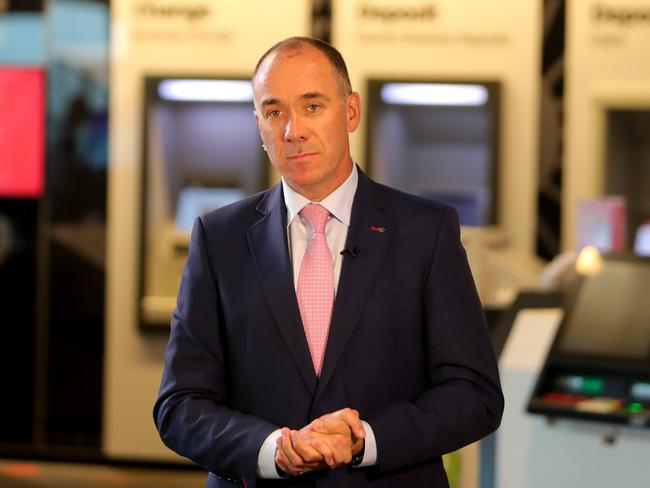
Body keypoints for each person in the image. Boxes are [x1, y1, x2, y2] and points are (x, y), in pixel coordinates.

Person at [154, 37, 503, 488]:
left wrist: (366, 441)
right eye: (274, 111)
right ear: (258, 123)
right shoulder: (218, 239)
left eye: (312, 106)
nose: (292, 130)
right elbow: (179, 404)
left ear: (351, 111)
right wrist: (269, 449)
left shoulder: (426, 232)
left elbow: (474, 395)